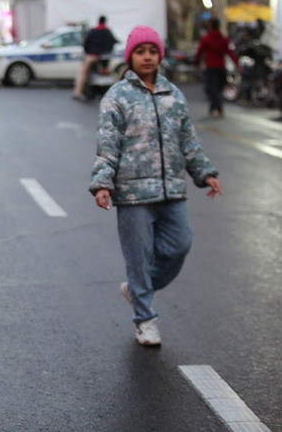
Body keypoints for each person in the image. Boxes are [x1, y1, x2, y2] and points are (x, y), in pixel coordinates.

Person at [90, 26, 222, 347]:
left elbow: (188, 140)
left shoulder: (173, 95)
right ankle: (145, 319)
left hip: (171, 189)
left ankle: (137, 289)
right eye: (140, 51)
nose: (147, 57)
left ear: (160, 56)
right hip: (133, 193)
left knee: (180, 245)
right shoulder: (117, 97)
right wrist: (102, 183)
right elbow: (108, 145)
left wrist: (204, 172)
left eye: (152, 51)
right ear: (130, 57)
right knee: (138, 258)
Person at [195, 18, 239, 117]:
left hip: (210, 66)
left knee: (212, 89)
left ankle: (217, 107)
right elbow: (230, 53)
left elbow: (199, 52)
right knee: (218, 89)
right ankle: (215, 107)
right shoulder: (223, 39)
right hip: (221, 67)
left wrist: (197, 62)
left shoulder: (206, 39)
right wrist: (237, 64)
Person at [74, 16, 118, 101]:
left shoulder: (93, 31)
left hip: (92, 55)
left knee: (83, 74)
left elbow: (86, 43)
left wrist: (88, 52)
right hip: (104, 56)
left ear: (98, 21)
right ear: (105, 22)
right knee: (107, 74)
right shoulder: (107, 31)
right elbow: (113, 41)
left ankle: (77, 93)